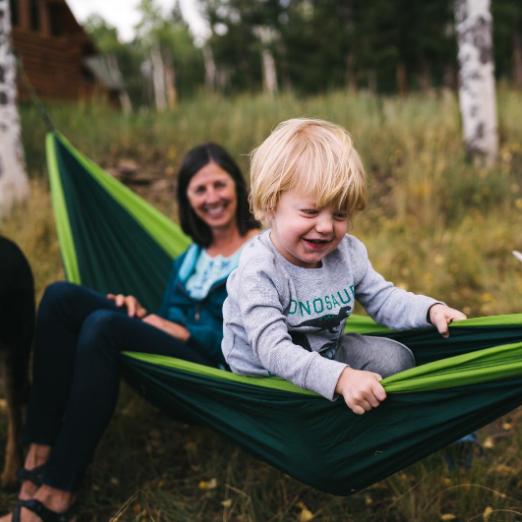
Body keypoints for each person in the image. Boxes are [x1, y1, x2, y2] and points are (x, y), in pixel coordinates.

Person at [2, 143, 258, 522]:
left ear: (237, 187)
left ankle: (56, 493)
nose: (212, 198)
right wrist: (141, 314)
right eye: (200, 190)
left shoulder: (263, 251)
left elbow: (260, 337)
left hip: (215, 371)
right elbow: (167, 319)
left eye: (219, 185)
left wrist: (186, 332)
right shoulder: (188, 258)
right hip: (171, 365)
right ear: (187, 199)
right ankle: (37, 455)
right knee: (59, 298)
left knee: (102, 325)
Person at [222, 118, 466, 416]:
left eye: (340, 214)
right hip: (267, 379)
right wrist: (341, 378)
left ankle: (388, 424)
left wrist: (430, 310)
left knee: (395, 359)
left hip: (326, 352)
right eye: (310, 211)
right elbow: (272, 350)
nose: (326, 227)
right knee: (313, 402)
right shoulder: (259, 269)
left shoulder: (347, 251)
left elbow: (383, 298)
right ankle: (333, 416)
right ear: (272, 204)